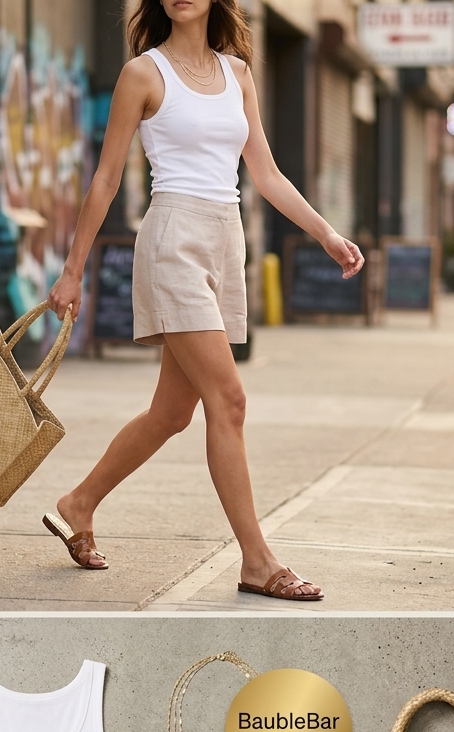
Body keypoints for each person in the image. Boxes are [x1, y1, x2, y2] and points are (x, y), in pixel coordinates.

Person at [44, 0, 364, 601]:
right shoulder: (144, 73)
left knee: (171, 413)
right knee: (229, 399)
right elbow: (106, 179)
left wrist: (326, 234)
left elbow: (265, 173)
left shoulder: (237, 73)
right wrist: (72, 271)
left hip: (225, 243)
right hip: (172, 241)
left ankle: (79, 502)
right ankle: (258, 562)